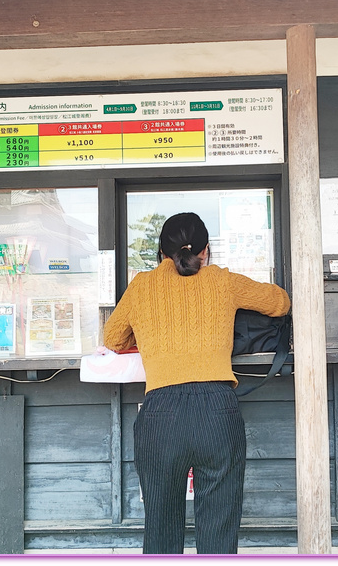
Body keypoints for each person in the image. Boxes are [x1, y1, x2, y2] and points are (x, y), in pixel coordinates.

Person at [102, 212, 290, 554]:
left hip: (160, 414)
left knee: (160, 530)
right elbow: (280, 302)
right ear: (205, 251)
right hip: (217, 412)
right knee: (218, 532)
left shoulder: (142, 285)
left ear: (161, 253)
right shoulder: (222, 280)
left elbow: (113, 337)